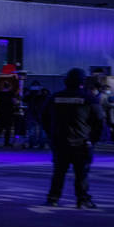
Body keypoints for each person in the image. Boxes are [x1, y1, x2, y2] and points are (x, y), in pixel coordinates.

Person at [42, 67, 104, 208]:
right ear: (82, 82)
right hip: (81, 142)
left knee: (59, 172)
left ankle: (53, 198)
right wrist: (92, 140)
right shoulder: (89, 98)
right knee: (81, 173)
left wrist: (51, 134)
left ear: (66, 81)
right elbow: (99, 121)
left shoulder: (55, 97)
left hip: (60, 141)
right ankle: (82, 199)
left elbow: (44, 117)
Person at [0, 66, 20, 147]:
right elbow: (14, 101)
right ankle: (6, 142)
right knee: (8, 128)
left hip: (1, 112)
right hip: (9, 112)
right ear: (9, 86)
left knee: (0, 127)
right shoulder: (11, 94)